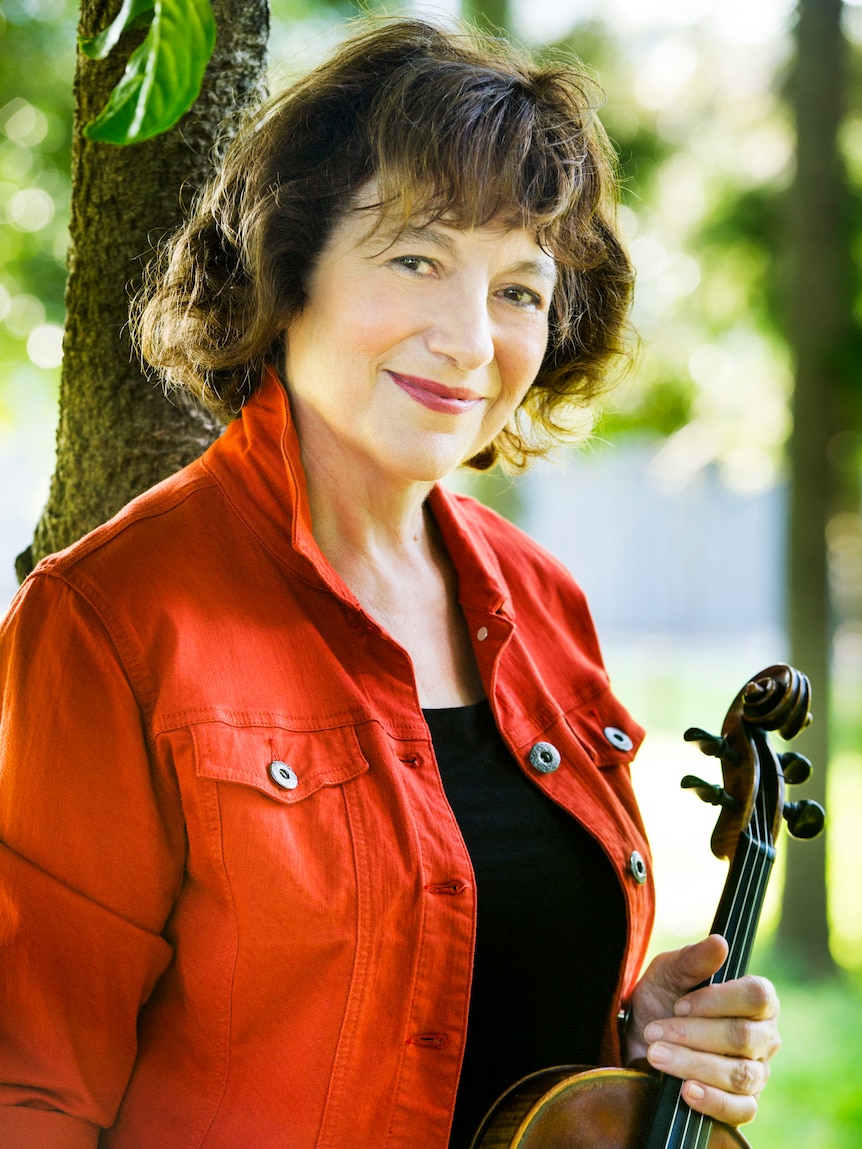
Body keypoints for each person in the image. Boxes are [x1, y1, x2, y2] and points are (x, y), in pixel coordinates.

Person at [0, 17, 780, 1149]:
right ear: (290, 265)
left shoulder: (542, 601)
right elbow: (30, 1098)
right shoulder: (115, 619)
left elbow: (462, 995)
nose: (470, 340)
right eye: (416, 258)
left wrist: (631, 1041)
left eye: (519, 288)